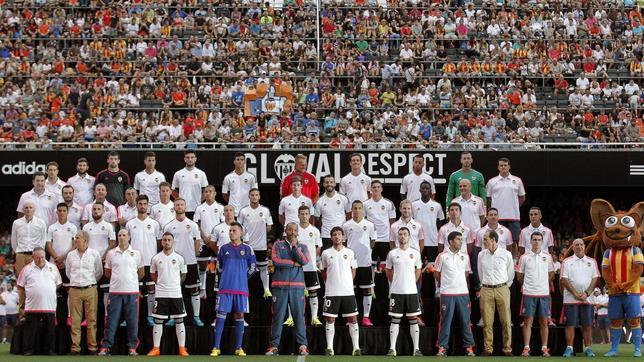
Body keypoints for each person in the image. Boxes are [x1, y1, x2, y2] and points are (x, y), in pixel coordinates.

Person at [210, 222, 256, 357]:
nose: (231, 233)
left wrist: (241, 277)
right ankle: (216, 347)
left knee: (240, 316)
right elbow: (218, 267)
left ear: (241, 233)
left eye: (234, 230)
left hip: (241, 289)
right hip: (225, 289)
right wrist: (227, 276)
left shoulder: (248, 249)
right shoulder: (223, 249)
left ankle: (239, 348)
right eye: (230, 231)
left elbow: (252, 268)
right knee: (220, 316)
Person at [265, 223, 310, 356]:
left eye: (294, 230)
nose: (292, 232)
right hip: (280, 286)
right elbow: (275, 260)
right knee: (278, 317)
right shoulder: (278, 245)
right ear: (285, 231)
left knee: (299, 317)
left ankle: (302, 346)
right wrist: (292, 264)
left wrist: (295, 247)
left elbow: (304, 261)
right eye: (289, 230)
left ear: (297, 232)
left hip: (297, 287)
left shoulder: (302, 246)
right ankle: (274, 346)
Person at [98, 229, 144, 356]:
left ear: (129, 237)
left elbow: (141, 273)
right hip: (115, 293)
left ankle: (132, 348)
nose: (122, 237)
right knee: (111, 321)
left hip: (132, 292)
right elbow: (107, 273)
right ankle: (106, 347)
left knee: (132, 321)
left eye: (124, 235)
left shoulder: (137, 253)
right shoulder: (111, 253)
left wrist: (130, 281)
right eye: (119, 235)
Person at [320, 226, 361, 356]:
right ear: (331, 237)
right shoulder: (326, 253)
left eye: (339, 234)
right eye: (334, 234)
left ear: (343, 237)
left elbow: (353, 270)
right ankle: (329, 348)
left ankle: (356, 348)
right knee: (330, 319)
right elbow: (323, 271)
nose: (337, 237)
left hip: (348, 292)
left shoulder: (350, 252)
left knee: (353, 318)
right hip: (331, 292)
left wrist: (347, 282)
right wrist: (331, 283)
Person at [147, 232, 190, 357]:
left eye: (169, 240)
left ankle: (182, 349)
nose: (166, 242)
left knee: (179, 320)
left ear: (173, 242)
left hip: (176, 293)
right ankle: (156, 348)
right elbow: (153, 274)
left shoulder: (180, 258)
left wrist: (175, 284)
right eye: (164, 240)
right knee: (158, 320)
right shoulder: (156, 258)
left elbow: (183, 275)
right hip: (161, 293)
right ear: (161, 242)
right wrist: (161, 284)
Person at [434, 232, 476, 357]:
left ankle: (469, 348)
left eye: (461, 239)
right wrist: (446, 285)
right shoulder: (442, 256)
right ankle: (442, 348)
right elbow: (436, 274)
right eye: (458, 239)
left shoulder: (465, 256)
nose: (461, 241)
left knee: (465, 321)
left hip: (463, 293)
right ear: (451, 241)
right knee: (445, 321)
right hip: (447, 293)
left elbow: (466, 273)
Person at [163, 198, 204, 326]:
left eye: (181, 204)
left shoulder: (192, 224)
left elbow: (197, 240)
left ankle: (196, 317)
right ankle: (173, 317)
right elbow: (165, 242)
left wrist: (195, 253)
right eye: (177, 205)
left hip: (190, 262)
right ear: (174, 207)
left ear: (185, 207)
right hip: (174, 263)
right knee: (174, 290)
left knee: (194, 289)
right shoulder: (169, 226)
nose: (179, 207)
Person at [385, 227, 423, 357]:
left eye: (405, 234)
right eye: (400, 234)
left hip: (411, 291)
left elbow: (418, 269)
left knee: (413, 319)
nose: (402, 236)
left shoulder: (415, 253)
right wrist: (395, 281)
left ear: (409, 236)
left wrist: (412, 281)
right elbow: (388, 270)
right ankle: (392, 349)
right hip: (396, 291)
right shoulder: (392, 253)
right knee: (395, 319)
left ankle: (416, 349)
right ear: (397, 236)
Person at [17, 247, 62, 355]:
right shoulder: (26, 269)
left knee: (50, 330)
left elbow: (58, 283)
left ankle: (50, 350)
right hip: (32, 306)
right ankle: (28, 350)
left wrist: (47, 291)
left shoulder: (53, 267)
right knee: (30, 331)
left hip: (49, 306)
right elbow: (20, 286)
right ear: (32, 257)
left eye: (42, 257)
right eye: (37, 258)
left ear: (45, 256)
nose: (40, 260)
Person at [477, 229, 515, 356]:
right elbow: (480, 272)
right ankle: (488, 349)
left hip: (502, 288)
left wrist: (505, 286)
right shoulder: (481, 255)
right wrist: (484, 286)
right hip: (486, 288)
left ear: (493, 240)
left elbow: (511, 274)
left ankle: (507, 348)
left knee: (506, 320)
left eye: (486, 239)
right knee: (487, 321)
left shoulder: (506, 254)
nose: (484, 241)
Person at [125, 195, 162, 326]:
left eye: (144, 204)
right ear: (136, 205)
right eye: (140, 203)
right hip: (134, 263)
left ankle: (150, 316)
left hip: (150, 262)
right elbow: (126, 243)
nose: (142, 206)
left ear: (148, 205)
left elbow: (159, 243)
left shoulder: (155, 224)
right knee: (131, 291)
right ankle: (129, 318)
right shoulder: (130, 224)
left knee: (152, 289)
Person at [560, 238, 600, 357]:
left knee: (587, 324)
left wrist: (587, 293)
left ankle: (588, 348)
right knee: (570, 324)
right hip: (570, 298)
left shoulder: (592, 261)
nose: (579, 247)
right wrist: (575, 293)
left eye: (581, 244)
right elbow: (564, 279)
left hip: (587, 299)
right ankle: (569, 348)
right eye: (576, 245)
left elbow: (595, 278)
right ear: (573, 247)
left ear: (584, 246)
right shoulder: (566, 261)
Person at [517, 232, 555, 357]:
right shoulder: (524, 257)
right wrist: (530, 285)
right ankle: (526, 348)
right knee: (528, 321)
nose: (537, 242)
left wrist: (542, 284)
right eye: (534, 239)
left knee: (544, 321)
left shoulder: (548, 257)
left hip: (543, 294)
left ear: (542, 241)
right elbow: (520, 276)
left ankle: (544, 348)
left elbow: (551, 274)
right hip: (529, 293)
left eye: (539, 239)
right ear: (530, 241)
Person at [65, 230, 103, 355]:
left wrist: (90, 282)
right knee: (75, 320)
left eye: (77, 238)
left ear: (85, 240)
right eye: (75, 237)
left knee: (92, 320)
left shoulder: (94, 254)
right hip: (74, 289)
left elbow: (99, 272)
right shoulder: (70, 255)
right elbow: (68, 272)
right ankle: (75, 348)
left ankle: (92, 348)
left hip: (90, 289)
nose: (75, 240)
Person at [343, 200, 377, 326]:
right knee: (350, 290)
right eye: (355, 208)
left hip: (365, 262)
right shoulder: (346, 225)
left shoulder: (369, 225)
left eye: (359, 208)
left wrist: (367, 252)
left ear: (363, 209)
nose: (357, 211)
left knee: (367, 290)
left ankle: (366, 317)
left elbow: (373, 241)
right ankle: (351, 317)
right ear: (351, 209)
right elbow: (344, 242)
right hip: (351, 264)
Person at [45, 203, 77, 322]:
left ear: (67, 212)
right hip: (54, 263)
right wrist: (56, 258)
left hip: (67, 262)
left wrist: (63, 258)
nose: (62, 212)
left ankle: (70, 316)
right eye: (60, 210)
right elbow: (48, 245)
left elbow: (75, 244)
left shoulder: (73, 227)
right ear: (57, 212)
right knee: (53, 289)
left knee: (69, 290)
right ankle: (52, 316)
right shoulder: (52, 227)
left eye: (64, 210)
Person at [82, 202, 116, 316]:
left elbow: (112, 243)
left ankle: (106, 316)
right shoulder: (86, 227)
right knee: (91, 291)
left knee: (105, 291)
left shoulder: (108, 226)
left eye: (98, 209)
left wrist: (104, 256)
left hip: (104, 262)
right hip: (90, 264)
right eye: (94, 209)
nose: (96, 211)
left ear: (103, 211)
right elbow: (83, 244)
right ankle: (89, 316)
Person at [238, 188, 273, 297]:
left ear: (259, 197)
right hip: (247, 246)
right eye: (252, 195)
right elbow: (238, 228)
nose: (254, 197)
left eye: (256, 195)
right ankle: (243, 289)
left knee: (263, 268)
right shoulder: (243, 211)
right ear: (249, 196)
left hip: (261, 246)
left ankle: (266, 289)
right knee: (245, 269)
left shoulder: (265, 210)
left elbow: (269, 226)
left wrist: (262, 232)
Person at [194, 185, 225, 298]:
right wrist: (204, 238)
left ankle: (219, 289)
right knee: (202, 265)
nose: (208, 193)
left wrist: (213, 239)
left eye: (210, 191)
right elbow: (196, 224)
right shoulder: (199, 208)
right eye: (205, 192)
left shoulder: (221, 207)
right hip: (204, 241)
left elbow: (223, 224)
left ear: (215, 193)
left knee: (219, 266)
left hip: (216, 241)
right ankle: (202, 289)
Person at [486, 157, 525, 243]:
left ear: (509, 167)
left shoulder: (517, 180)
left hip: (513, 217)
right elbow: (488, 199)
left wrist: (514, 207)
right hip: (497, 218)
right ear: (498, 167)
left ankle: (514, 257)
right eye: (501, 165)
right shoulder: (491, 181)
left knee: (515, 241)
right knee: (497, 240)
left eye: (505, 165)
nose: (503, 167)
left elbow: (522, 197)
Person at [297, 206, 322, 326]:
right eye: (302, 214)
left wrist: (314, 260)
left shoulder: (315, 231)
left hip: (311, 267)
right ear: (298, 215)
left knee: (313, 293)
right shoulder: (294, 230)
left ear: (309, 215)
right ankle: (299, 319)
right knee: (298, 294)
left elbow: (318, 247)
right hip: (298, 268)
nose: (304, 216)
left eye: (306, 214)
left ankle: (314, 318)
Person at [364, 180, 396, 270]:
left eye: (378, 187)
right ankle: (372, 283)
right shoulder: (365, 204)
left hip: (385, 239)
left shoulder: (389, 203)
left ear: (381, 189)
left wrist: (392, 238)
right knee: (371, 265)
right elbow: (363, 221)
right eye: (374, 187)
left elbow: (392, 222)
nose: (376, 189)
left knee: (386, 266)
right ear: (371, 189)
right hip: (371, 239)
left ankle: (386, 284)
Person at [314, 175, 351, 250]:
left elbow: (349, 215)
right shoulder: (319, 201)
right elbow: (317, 219)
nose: (329, 184)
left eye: (331, 182)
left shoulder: (343, 198)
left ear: (335, 184)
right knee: (326, 259)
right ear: (323, 184)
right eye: (327, 182)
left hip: (341, 234)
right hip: (326, 235)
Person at [412, 181, 445, 264]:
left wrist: (434, 229)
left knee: (432, 266)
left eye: (427, 188)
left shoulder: (437, 205)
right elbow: (411, 220)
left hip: (432, 240)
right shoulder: (413, 204)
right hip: (417, 241)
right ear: (420, 190)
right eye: (423, 188)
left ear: (430, 190)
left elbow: (441, 220)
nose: (425, 190)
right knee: (418, 266)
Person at [11, 202, 47, 276]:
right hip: (20, 254)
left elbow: (43, 240)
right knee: (20, 278)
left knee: (35, 277)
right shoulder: (16, 223)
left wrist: (37, 254)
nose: (28, 209)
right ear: (23, 210)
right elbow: (14, 240)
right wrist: (18, 252)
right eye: (26, 208)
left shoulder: (41, 223)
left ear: (34, 209)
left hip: (35, 255)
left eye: (31, 207)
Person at [171, 150, 208, 219]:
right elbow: (173, 191)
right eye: (187, 157)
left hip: (197, 208)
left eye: (192, 157)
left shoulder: (201, 174)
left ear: (195, 159)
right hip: (182, 209)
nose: (190, 159)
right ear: (185, 159)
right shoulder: (178, 174)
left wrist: (199, 200)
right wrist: (180, 201)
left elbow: (206, 191)